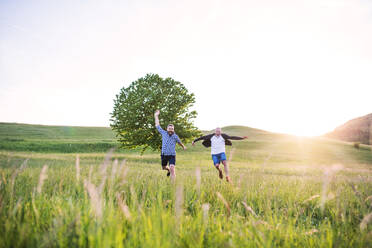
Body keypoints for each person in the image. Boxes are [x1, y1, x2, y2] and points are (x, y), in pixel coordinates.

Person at [154, 110, 186, 180]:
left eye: (172, 129)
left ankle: (173, 184)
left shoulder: (175, 136)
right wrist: (156, 116)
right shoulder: (163, 133)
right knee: (164, 167)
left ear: (173, 129)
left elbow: (179, 142)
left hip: (172, 155)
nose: (171, 130)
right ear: (167, 129)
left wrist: (183, 146)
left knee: (172, 168)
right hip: (164, 154)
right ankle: (167, 170)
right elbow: (157, 125)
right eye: (169, 129)